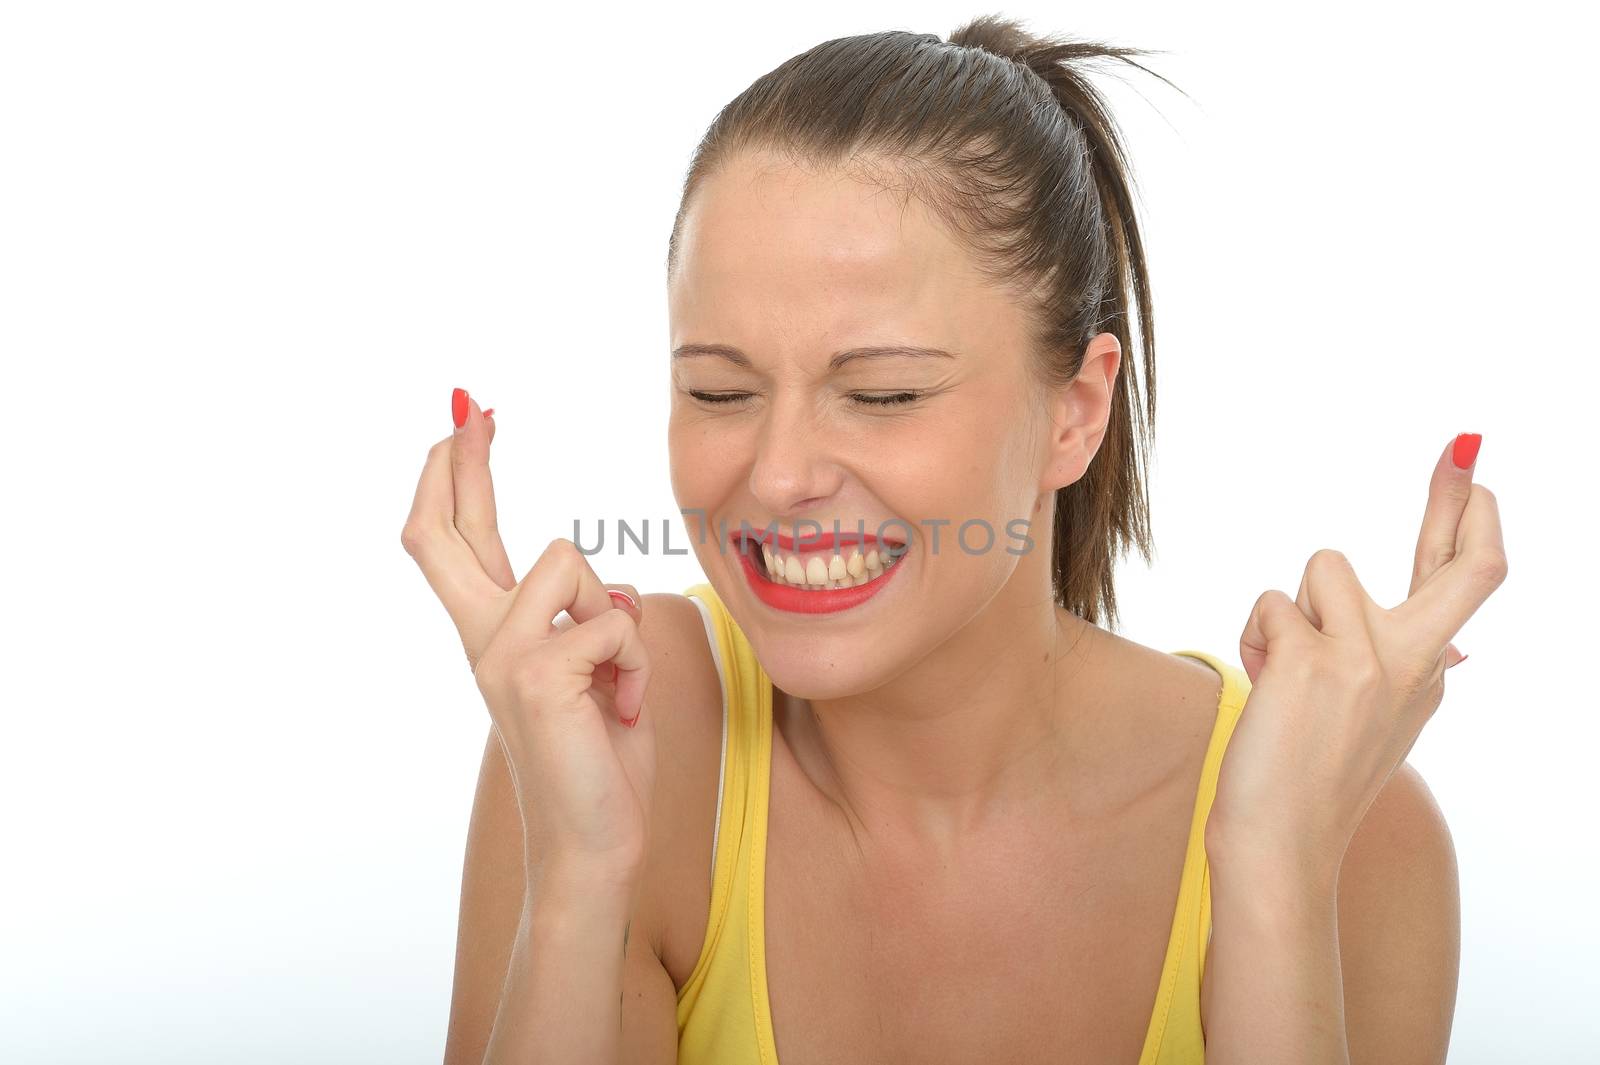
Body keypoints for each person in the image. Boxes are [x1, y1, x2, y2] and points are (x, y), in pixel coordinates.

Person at [403, 15, 1505, 1064]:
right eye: (719, 389)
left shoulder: (1351, 832)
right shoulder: (611, 752)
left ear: (1074, 410)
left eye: (880, 394)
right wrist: (582, 879)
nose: (778, 476)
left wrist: (1269, 877)